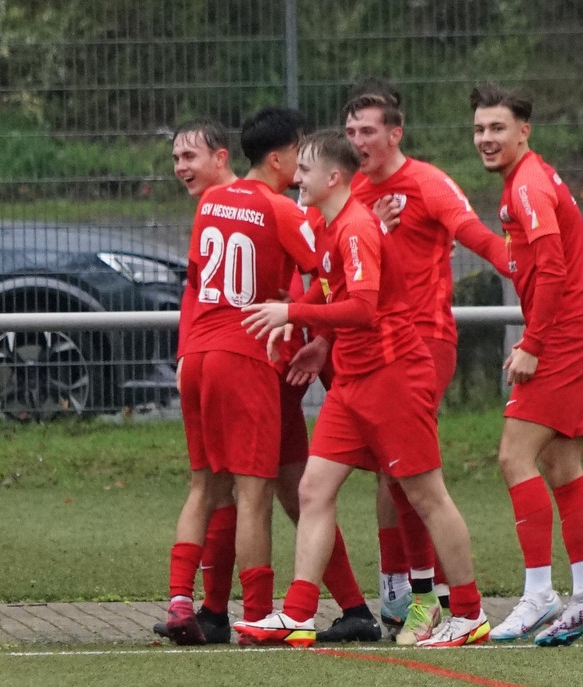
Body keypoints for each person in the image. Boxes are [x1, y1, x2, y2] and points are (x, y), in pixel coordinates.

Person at [235, 129, 489, 648]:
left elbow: (364, 308)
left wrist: (293, 312)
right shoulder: (331, 225)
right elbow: (332, 289)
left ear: (333, 177)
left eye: (304, 170)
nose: (296, 177)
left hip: (393, 377)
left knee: (426, 495)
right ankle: (298, 615)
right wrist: (308, 327)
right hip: (352, 381)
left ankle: (468, 613)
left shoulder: (355, 228)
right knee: (312, 490)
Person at [156, 119, 380, 645]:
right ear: (278, 159)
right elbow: (331, 270)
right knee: (259, 492)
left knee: (231, 486)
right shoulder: (283, 210)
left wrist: (187, 348)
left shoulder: (212, 203)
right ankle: (252, 613)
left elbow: (196, 285)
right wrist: (308, 318)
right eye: (300, 155)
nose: (303, 169)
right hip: (252, 361)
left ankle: (196, 606)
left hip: (208, 357)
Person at [343, 77, 510, 643]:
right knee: (378, 474)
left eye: (367, 131)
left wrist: (522, 264)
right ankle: (407, 592)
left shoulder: (428, 183)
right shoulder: (351, 191)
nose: (357, 141)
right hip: (369, 348)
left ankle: (433, 599)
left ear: (395, 134)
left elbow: (474, 234)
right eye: (350, 131)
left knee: (405, 472)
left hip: (423, 343)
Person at [470, 82, 583, 646]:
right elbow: (522, 262)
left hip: (563, 338)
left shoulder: (527, 184)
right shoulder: (527, 181)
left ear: (524, 131)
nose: (486, 138)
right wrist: (455, 225)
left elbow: (551, 269)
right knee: (561, 466)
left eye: (497, 128)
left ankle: (538, 594)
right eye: (479, 128)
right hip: (575, 332)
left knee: (514, 456)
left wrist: (532, 342)